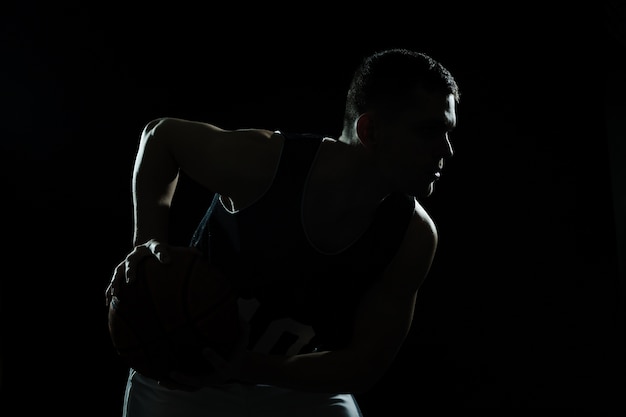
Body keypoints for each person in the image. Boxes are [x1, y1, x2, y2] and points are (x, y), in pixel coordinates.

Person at [105, 47, 460, 417]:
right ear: (369, 130)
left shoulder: (413, 236)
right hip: (183, 375)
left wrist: (246, 365)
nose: (446, 150)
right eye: (429, 131)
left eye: (448, 132)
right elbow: (161, 136)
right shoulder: (269, 164)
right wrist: (146, 245)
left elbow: (362, 364)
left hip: (291, 383)